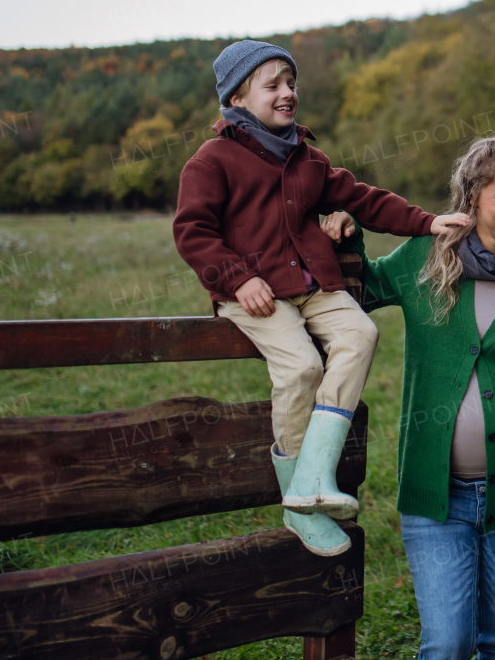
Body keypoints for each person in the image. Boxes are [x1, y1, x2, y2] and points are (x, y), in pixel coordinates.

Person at [173, 39, 467, 558]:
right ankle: (295, 499)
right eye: (274, 86)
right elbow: (193, 231)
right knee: (302, 368)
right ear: (238, 98)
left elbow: (362, 199)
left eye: (292, 83)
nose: (288, 93)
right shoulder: (211, 161)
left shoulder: (307, 158)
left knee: (361, 332)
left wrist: (426, 221)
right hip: (254, 294)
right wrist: (238, 279)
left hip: (308, 284)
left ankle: (315, 474)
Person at [321, 134, 495, 660]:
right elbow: (362, 292)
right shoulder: (425, 256)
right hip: (436, 498)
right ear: (472, 198)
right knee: (447, 643)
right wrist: (346, 241)